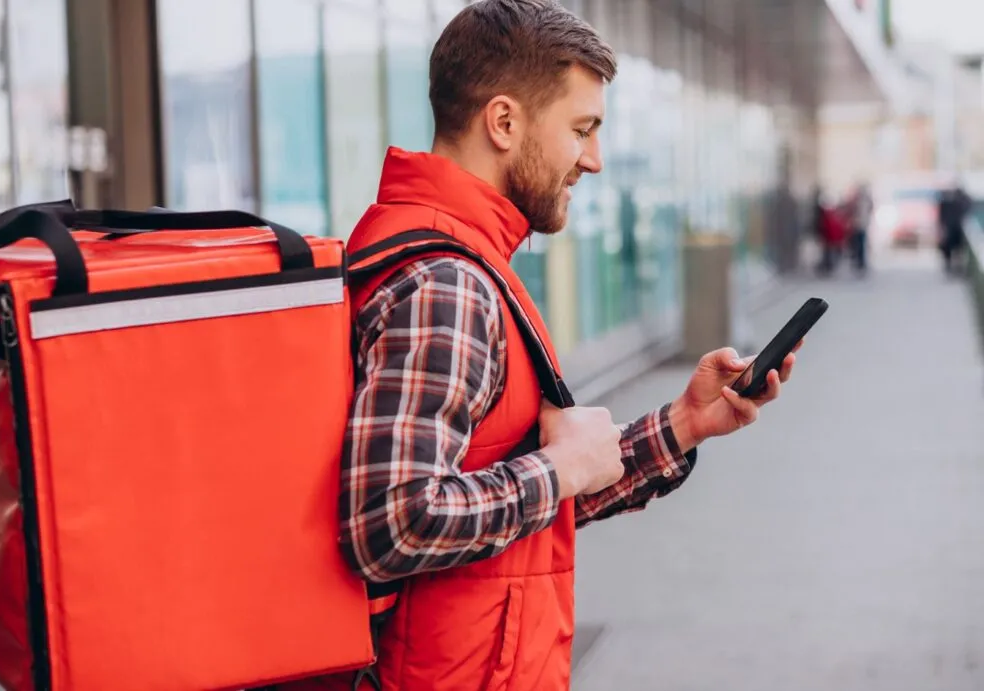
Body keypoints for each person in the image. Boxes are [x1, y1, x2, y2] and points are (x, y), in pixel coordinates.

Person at [283, 1, 799, 689]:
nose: (594, 159)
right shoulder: (449, 283)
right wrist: (557, 468)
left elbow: (507, 505)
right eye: (581, 129)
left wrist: (685, 423)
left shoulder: (457, 256)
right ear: (504, 122)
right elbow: (393, 522)